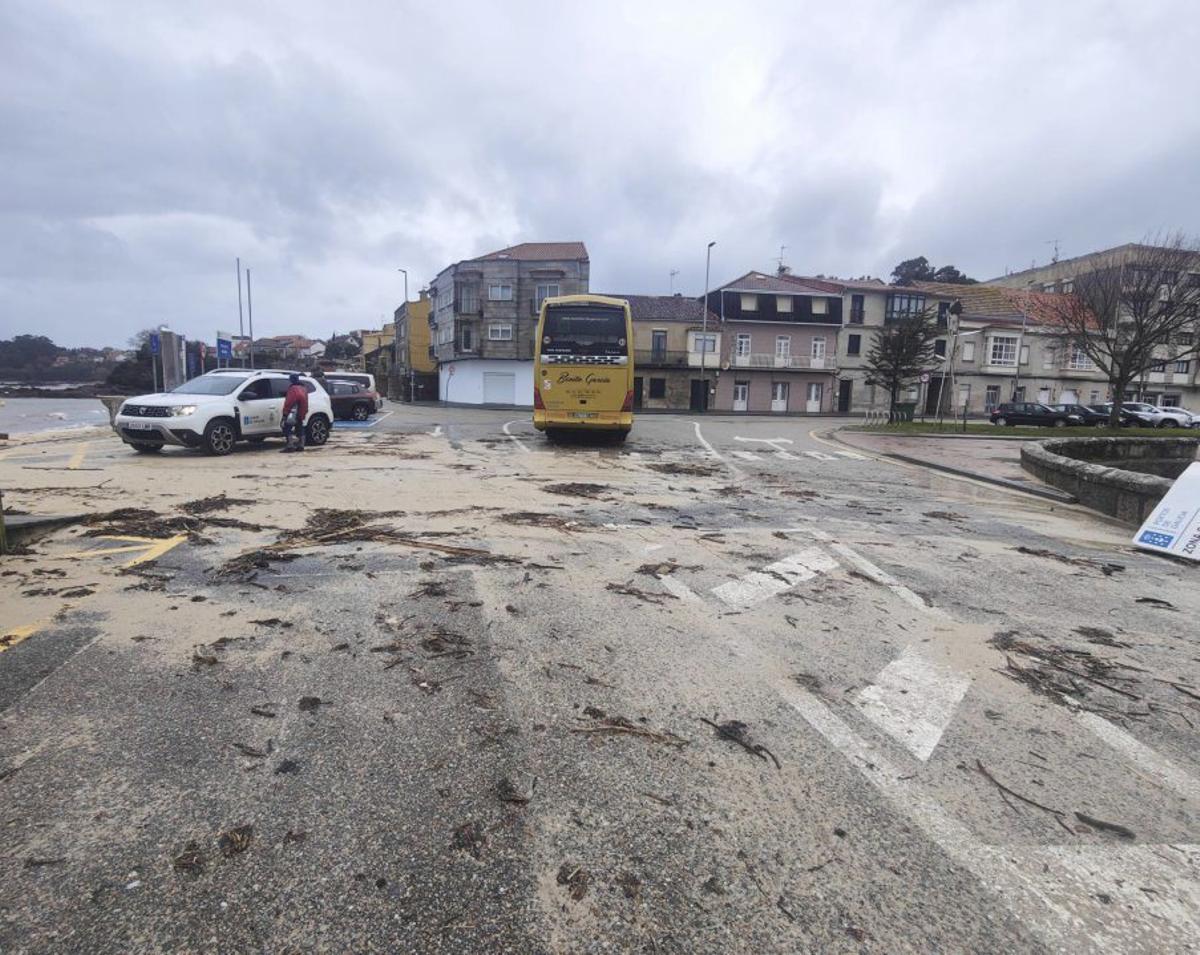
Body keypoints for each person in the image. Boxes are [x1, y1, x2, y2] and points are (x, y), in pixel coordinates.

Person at [281, 373, 309, 453]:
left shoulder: (293, 388)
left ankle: (290, 445)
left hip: (292, 412)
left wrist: (285, 412)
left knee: (287, 427)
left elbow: (289, 402)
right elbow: (305, 400)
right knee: (300, 427)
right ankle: (301, 445)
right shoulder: (303, 388)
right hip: (301, 411)